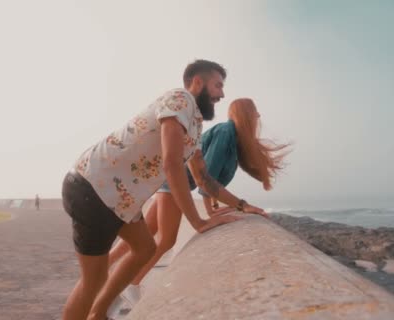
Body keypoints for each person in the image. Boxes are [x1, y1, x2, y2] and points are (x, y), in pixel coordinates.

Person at [61, 59, 266, 320]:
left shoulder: (193, 125)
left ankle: (99, 314)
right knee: (94, 279)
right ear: (198, 82)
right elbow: (171, 163)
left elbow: (203, 178)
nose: (222, 94)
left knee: (145, 249)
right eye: (218, 85)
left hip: (120, 199)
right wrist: (198, 221)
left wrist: (241, 204)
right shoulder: (180, 99)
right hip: (93, 186)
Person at [108, 98, 290, 305]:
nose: (258, 116)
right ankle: (132, 283)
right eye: (255, 112)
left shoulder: (233, 137)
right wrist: (241, 205)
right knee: (167, 239)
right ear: (246, 113)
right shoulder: (225, 133)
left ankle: (107, 265)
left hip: (172, 181)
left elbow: (210, 178)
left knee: (149, 228)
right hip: (174, 183)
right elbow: (206, 179)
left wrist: (212, 209)